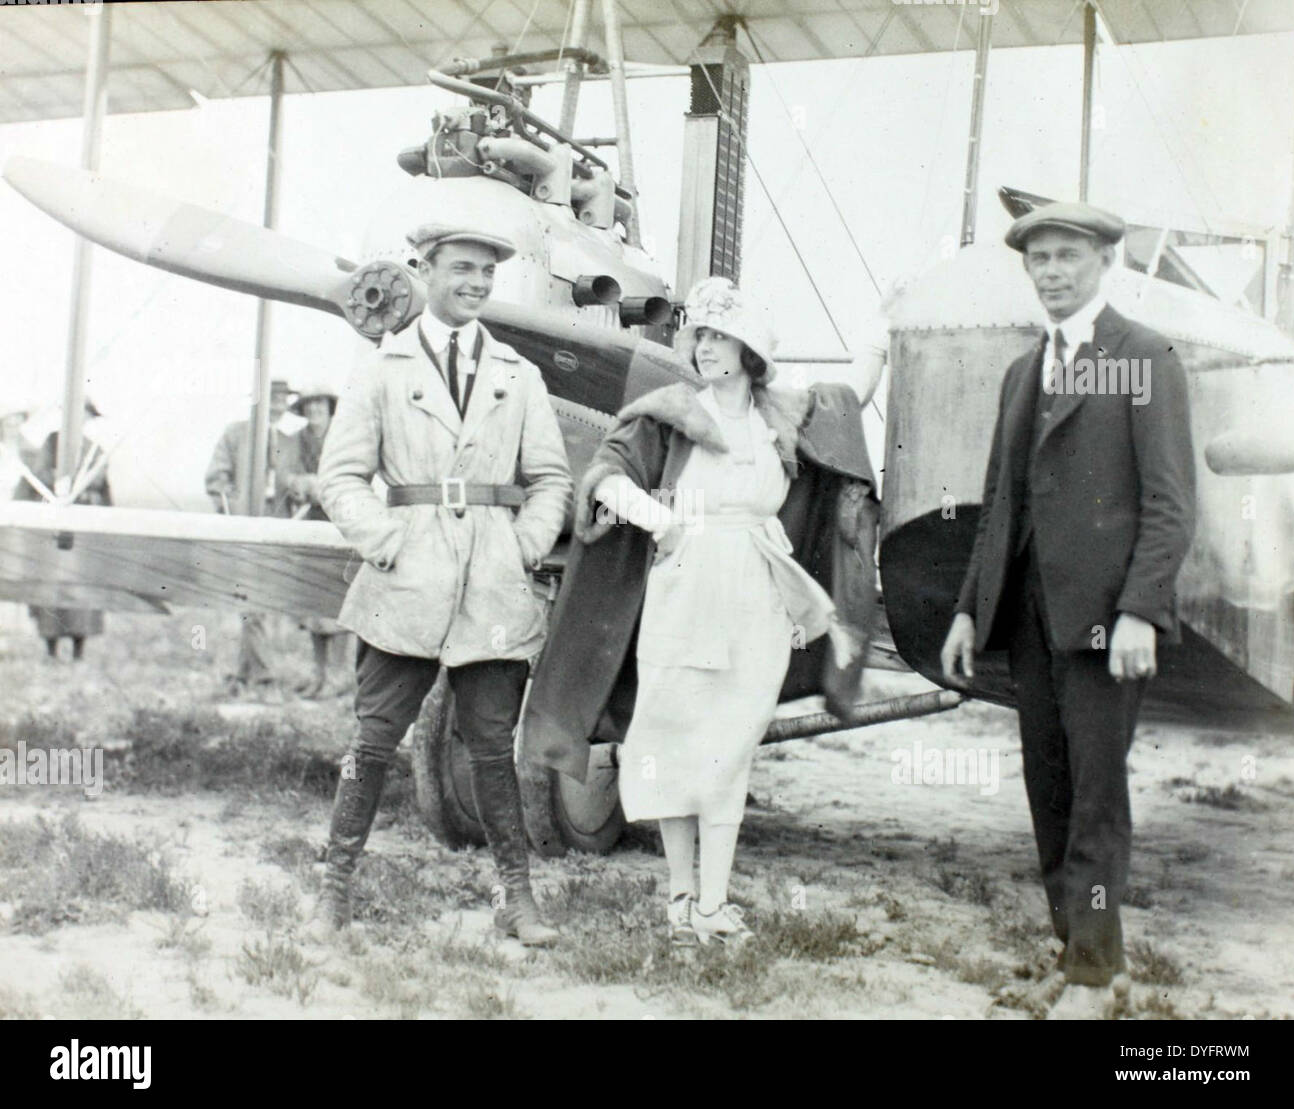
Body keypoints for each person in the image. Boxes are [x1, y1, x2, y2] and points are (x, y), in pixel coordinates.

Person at [523, 277, 883, 951]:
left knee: (731, 746)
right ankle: (681, 899)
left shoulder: (780, 418)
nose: (708, 346)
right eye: (702, 335)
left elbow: (846, 406)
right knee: (674, 741)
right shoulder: (667, 413)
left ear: (751, 350)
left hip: (758, 594)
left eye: (722, 336)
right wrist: (665, 525)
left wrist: (878, 340)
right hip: (685, 589)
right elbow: (604, 477)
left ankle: (714, 902)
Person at [939, 202, 1196, 1019]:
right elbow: (999, 503)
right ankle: (1086, 953)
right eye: (1038, 259)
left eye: (1066, 258)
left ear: (1104, 263)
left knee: (1094, 795)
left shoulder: (1143, 357)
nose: (1051, 272)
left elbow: (1171, 503)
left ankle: (1090, 980)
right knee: (1049, 790)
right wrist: (969, 612)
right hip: (1028, 618)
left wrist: (1140, 611)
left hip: (1104, 623)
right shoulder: (1025, 370)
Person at [315, 222, 572, 946]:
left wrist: (522, 546)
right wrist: (388, 541)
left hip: (492, 585)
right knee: (371, 742)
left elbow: (550, 478)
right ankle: (335, 889)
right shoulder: (382, 367)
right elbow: (340, 476)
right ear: (424, 271)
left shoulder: (518, 373)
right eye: (461, 269)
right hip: (406, 583)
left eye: (487, 274)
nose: (476, 284)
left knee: (492, 748)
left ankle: (517, 898)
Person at [204, 378, 297, 695]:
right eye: (272, 398)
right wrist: (234, 512)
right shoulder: (235, 433)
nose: (278, 405)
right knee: (252, 603)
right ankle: (266, 678)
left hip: (278, 527)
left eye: (283, 400)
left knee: (259, 604)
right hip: (244, 527)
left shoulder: (289, 441)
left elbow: (294, 484)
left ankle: (241, 677)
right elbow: (216, 479)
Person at [14, 399, 112, 660]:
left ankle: (79, 650)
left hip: (86, 529)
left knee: (82, 590)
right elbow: (37, 477)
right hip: (53, 528)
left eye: (85, 416)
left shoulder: (96, 451)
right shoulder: (51, 443)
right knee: (51, 588)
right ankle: (51, 650)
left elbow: (105, 492)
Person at [281, 384, 347, 698]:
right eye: (308, 405)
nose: (314, 410)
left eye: (319, 404)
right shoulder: (297, 441)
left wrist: (327, 487)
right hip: (309, 523)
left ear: (329, 407)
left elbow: (354, 475)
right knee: (312, 604)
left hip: (341, 526)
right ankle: (318, 673)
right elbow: (287, 474)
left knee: (338, 603)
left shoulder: (344, 436)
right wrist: (302, 484)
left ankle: (338, 676)